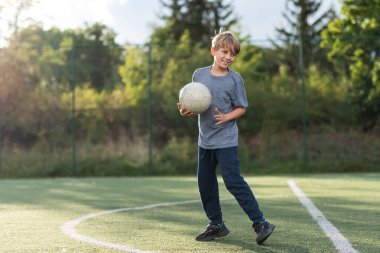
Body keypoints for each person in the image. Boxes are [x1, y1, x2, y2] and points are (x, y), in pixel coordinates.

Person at [177, 31, 275, 245]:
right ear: (214, 51)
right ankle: (217, 225)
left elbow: (242, 108)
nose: (228, 57)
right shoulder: (199, 75)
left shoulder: (235, 79)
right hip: (205, 141)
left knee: (233, 181)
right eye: (224, 52)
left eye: (233, 54)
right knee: (205, 183)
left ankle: (260, 223)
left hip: (226, 141)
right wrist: (187, 111)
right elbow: (197, 105)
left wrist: (226, 117)